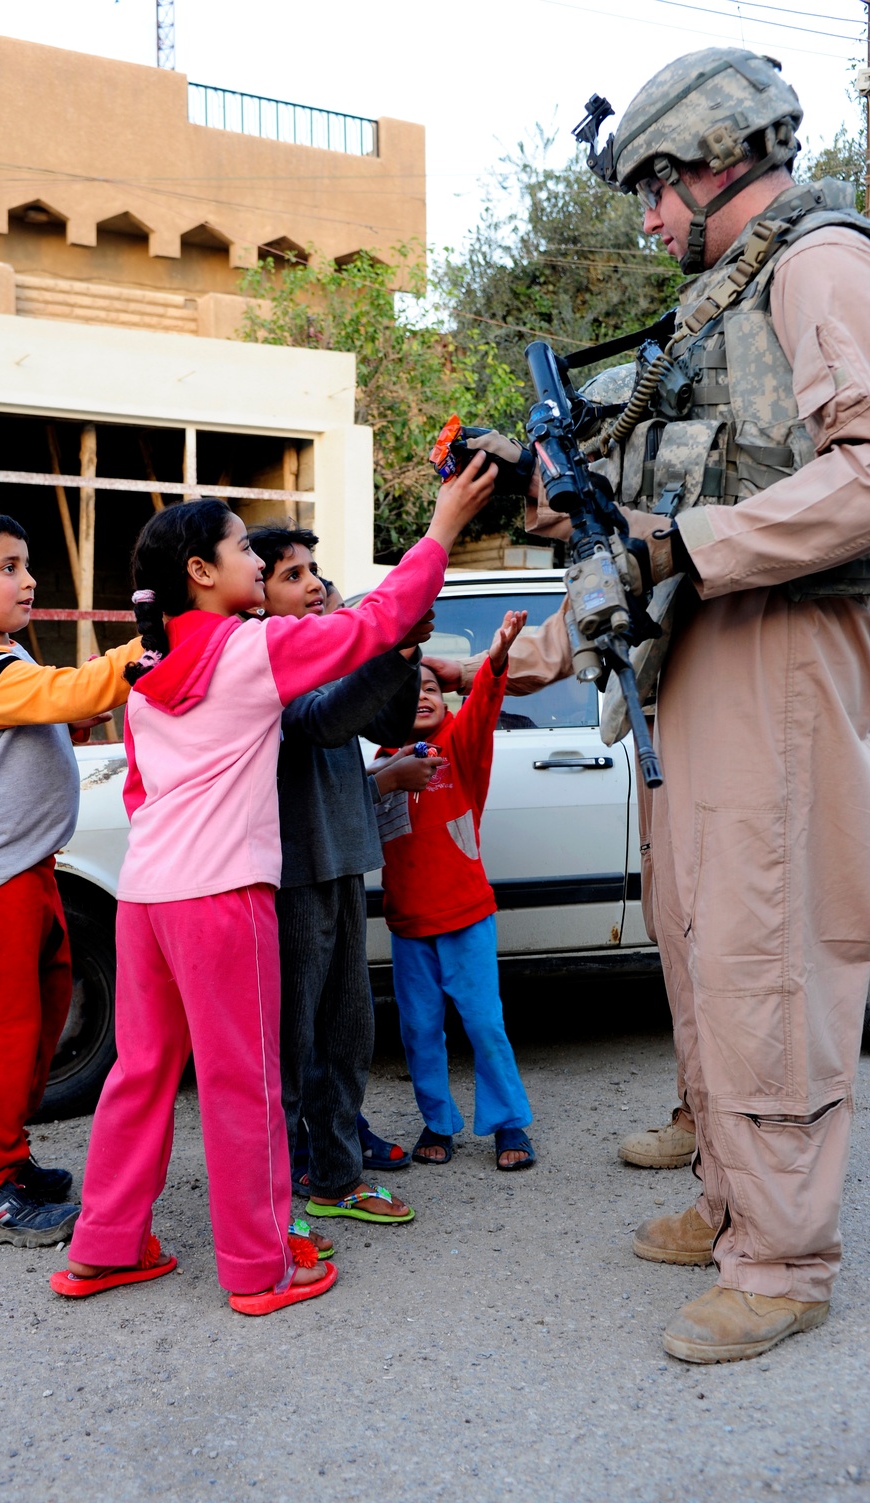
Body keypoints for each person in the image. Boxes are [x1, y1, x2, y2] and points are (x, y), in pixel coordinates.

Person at [472, 46, 870, 1362]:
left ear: (712, 159)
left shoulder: (820, 262)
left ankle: (785, 1260)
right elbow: (688, 501)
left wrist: (682, 548)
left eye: (652, 188)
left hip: (782, 641)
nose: (646, 219)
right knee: (705, 942)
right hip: (708, 640)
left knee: (764, 948)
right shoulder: (726, 297)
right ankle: (731, 1192)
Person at [50, 452, 495, 1315]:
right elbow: (378, 624)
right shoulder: (248, 652)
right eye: (243, 551)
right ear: (201, 572)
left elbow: (143, 793)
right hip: (223, 899)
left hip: (148, 897)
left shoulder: (146, 676)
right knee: (242, 1079)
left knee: (140, 1072)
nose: (259, 562)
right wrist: (442, 529)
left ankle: (103, 1247)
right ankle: (259, 1267)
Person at [0, 512, 145, 1247]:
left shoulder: (7, 655)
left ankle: (10, 1162)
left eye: (27, 565)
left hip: (29, 867)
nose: (29, 580)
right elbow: (67, 693)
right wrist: (153, 646)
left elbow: (55, 708)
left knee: (39, 1024)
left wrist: (76, 714)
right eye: (9, 567)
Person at [246, 524, 422, 1233]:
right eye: (293, 575)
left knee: (350, 1031)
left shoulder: (324, 652)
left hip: (345, 858)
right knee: (294, 1047)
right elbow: (319, 722)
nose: (315, 583)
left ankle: (339, 1178)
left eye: (315, 569)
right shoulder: (261, 662)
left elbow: (390, 719)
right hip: (291, 874)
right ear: (255, 595)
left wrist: (398, 653)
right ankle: (280, 1197)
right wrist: (388, 651)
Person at [375, 616, 536, 1171]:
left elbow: (484, 707)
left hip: (466, 915)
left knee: (483, 1021)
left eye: (429, 688)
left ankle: (508, 1120)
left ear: (445, 698)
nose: (420, 696)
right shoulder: (382, 762)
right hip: (408, 924)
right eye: (407, 690)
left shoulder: (460, 745)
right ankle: (437, 1122)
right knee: (419, 1028)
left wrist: (494, 659)